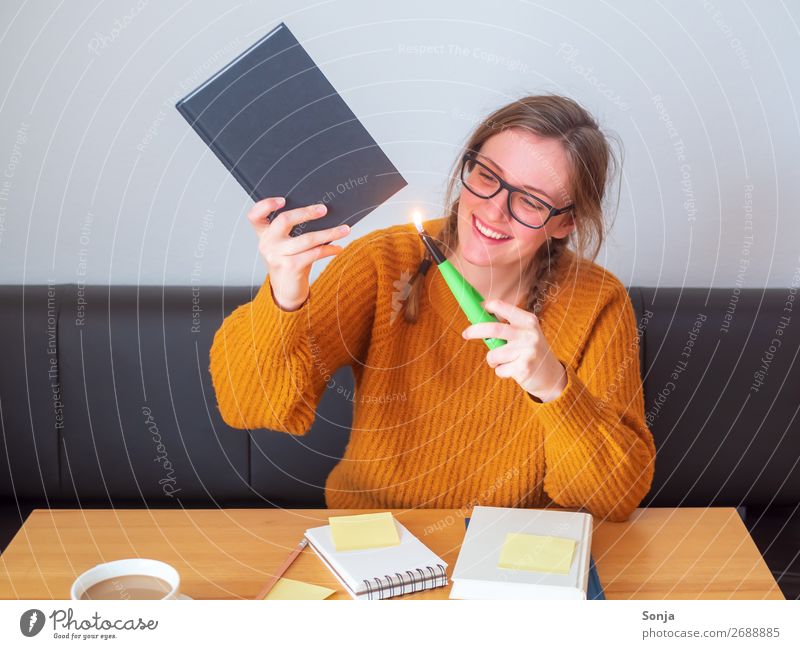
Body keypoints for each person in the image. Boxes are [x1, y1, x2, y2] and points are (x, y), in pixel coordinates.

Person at [209, 94, 655, 522]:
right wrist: (284, 296)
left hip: (514, 557)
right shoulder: (385, 261)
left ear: (566, 222)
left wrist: (554, 386)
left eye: (532, 201)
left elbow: (613, 498)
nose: (494, 210)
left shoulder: (598, 301)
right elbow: (249, 405)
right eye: (486, 176)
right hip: (375, 540)